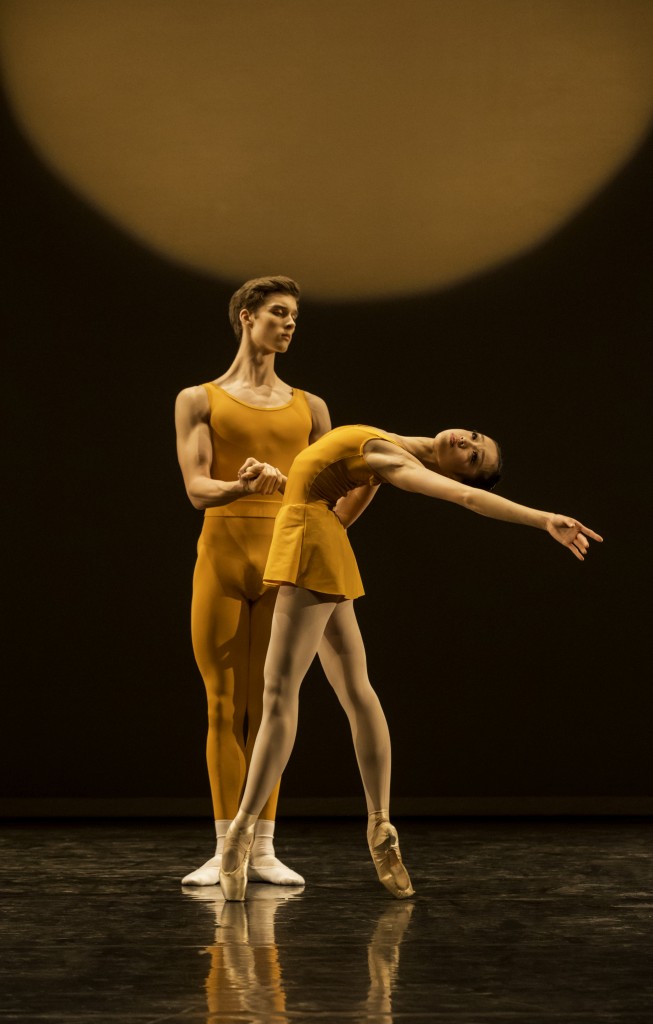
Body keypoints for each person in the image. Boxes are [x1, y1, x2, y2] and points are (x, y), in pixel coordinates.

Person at [218, 424, 603, 901]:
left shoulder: (392, 460)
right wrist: (282, 480)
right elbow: (337, 514)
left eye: (472, 460)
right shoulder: (389, 450)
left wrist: (542, 518)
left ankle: (239, 835)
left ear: (456, 473)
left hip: (306, 545)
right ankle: (379, 827)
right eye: (475, 439)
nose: (467, 444)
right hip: (319, 538)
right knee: (358, 691)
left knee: (279, 696)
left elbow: (467, 501)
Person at [175, 275, 333, 887]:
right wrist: (243, 485)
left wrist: (292, 490)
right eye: (278, 313)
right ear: (246, 316)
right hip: (222, 556)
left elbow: (331, 487)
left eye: (295, 316)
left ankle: (261, 847)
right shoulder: (199, 399)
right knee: (222, 704)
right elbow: (195, 489)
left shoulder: (310, 407)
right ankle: (223, 847)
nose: (289, 324)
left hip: (285, 562)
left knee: (274, 704)